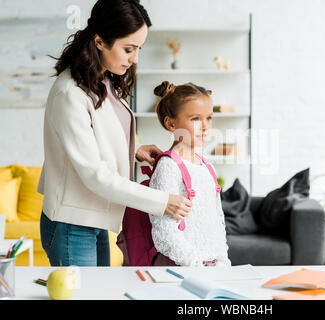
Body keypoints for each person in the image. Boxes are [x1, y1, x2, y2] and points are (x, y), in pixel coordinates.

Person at [38, 0, 192, 267]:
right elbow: (94, 174)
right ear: (99, 41)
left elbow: (100, 132)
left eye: (138, 49)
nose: (135, 59)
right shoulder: (69, 93)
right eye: (128, 49)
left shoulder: (103, 81)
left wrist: (135, 149)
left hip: (94, 217)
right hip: (71, 224)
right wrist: (161, 201)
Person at [148, 80, 231, 267]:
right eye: (195, 118)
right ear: (170, 123)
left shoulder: (208, 167)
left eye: (209, 118)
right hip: (179, 268)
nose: (205, 126)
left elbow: (218, 220)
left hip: (211, 268)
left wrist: (222, 261)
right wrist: (196, 265)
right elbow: (164, 232)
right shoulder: (168, 167)